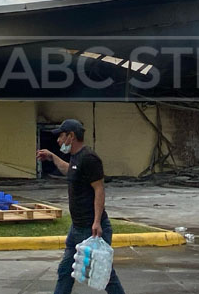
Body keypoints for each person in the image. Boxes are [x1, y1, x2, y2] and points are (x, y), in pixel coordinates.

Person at [37, 119, 126, 294]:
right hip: (76, 227)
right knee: (65, 271)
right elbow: (70, 171)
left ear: (71, 136)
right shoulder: (76, 158)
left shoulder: (89, 158)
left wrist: (97, 222)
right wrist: (53, 157)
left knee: (106, 275)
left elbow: (99, 189)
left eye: (61, 136)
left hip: (90, 228)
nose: (58, 141)